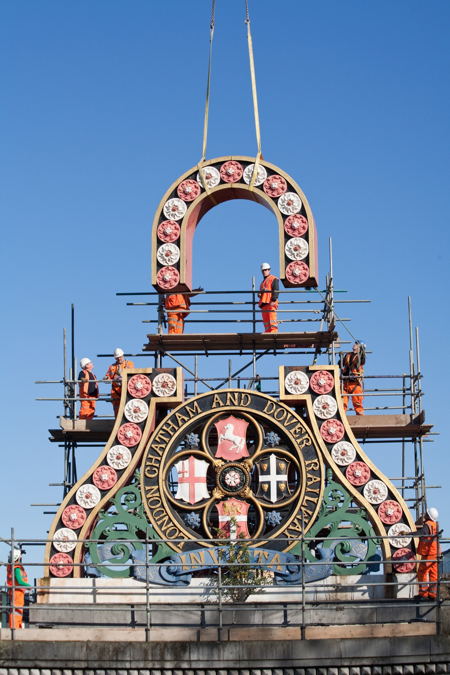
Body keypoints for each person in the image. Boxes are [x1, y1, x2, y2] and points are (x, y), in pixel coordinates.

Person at [415, 507, 440, 602]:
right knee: (433, 574)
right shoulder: (435, 525)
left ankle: (423, 594)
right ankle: (433, 594)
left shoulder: (427, 525)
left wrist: (408, 534)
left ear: (428, 516)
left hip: (428, 553)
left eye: (426, 514)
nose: (424, 515)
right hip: (435, 552)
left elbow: (421, 533)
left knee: (422, 572)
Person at [105, 348, 135, 416]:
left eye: (120, 357)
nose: (119, 359)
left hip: (127, 390)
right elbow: (108, 377)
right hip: (115, 391)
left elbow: (133, 376)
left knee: (128, 408)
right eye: (117, 358)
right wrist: (106, 378)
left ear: (123, 355)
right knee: (117, 409)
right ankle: (117, 423)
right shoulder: (112, 367)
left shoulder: (129, 364)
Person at [7, 547, 31, 628]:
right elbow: (20, 581)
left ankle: (17, 627)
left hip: (15, 591)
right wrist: (30, 587)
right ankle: (15, 628)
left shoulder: (12, 567)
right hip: (17, 592)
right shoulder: (16, 569)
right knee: (16, 611)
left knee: (17, 610)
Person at [340, 341, 366, 415]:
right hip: (345, 382)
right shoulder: (348, 355)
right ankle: (342, 416)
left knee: (357, 402)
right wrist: (341, 357)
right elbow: (340, 364)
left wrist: (362, 352)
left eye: (357, 344)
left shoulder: (360, 356)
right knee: (342, 402)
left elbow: (362, 360)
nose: (354, 345)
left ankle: (360, 417)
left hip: (355, 382)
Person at [258, 262, 279, 333]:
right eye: (263, 270)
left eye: (266, 270)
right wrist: (260, 294)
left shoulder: (273, 278)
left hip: (270, 303)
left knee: (272, 319)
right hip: (264, 304)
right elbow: (261, 294)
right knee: (266, 322)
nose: (264, 271)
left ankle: (274, 332)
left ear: (269, 270)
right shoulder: (262, 283)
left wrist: (274, 299)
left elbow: (276, 289)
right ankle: (267, 332)